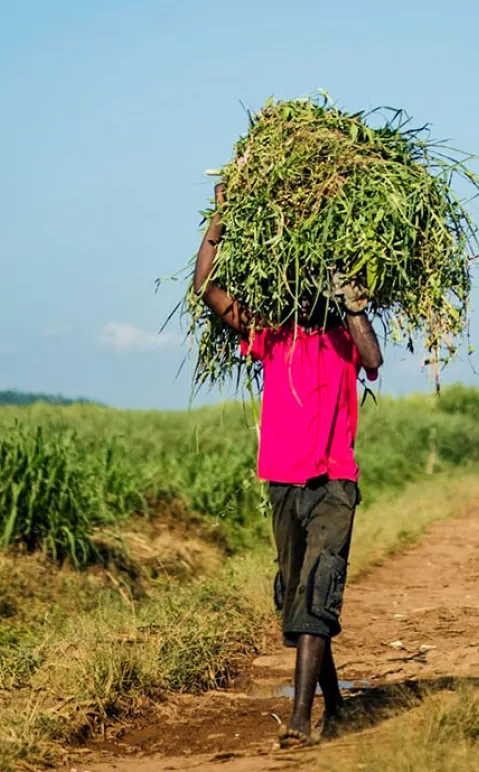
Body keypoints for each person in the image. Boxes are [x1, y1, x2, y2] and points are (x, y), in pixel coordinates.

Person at [192, 178, 384, 747]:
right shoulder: (273, 334)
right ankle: (337, 704)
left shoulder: (344, 336)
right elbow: (207, 287)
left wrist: (352, 304)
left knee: (319, 589)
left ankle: (301, 721)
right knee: (296, 596)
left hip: (334, 483)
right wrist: (222, 217)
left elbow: (374, 360)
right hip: (281, 480)